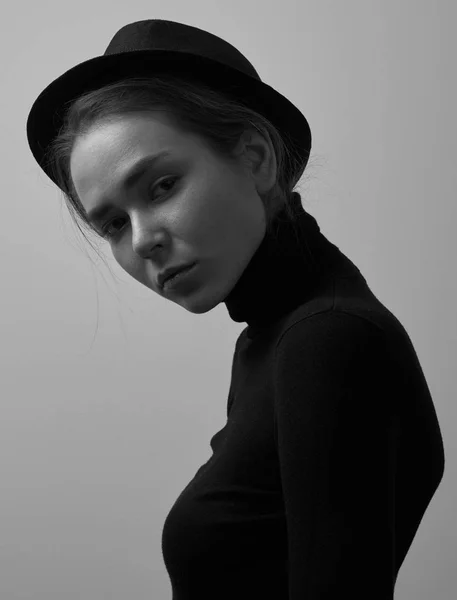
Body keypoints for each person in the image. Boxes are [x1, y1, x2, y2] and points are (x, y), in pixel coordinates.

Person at [26, 19, 445, 600]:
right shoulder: (274, 334)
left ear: (255, 157)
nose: (143, 240)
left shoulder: (327, 339)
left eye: (162, 185)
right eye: (114, 224)